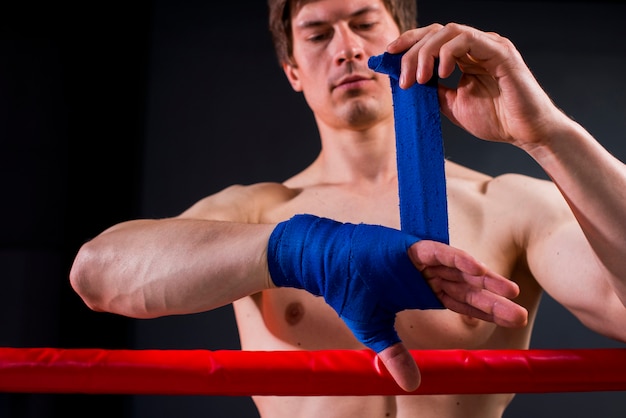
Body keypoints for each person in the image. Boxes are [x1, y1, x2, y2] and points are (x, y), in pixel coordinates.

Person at [69, 0, 626, 416]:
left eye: (364, 23)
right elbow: (96, 274)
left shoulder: (508, 204)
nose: (348, 47)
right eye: (316, 32)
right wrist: (301, 251)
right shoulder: (255, 213)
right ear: (293, 70)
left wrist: (550, 134)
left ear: (405, 41)